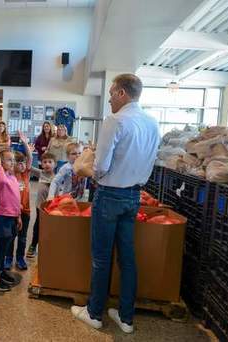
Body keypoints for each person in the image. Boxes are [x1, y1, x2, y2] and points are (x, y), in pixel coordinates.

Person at [70, 74, 160, 334]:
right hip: (134, 196)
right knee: (127, 258)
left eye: (111, 93)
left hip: (109, 195)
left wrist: (85, 167)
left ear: (122, 93)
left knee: (101, 257)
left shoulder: (116, 120)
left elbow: (100, 167)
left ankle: (95, 313)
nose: (109, 98)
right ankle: (126, 317)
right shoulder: (152, 124)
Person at [0, 149, 21, 292]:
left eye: (13, 160)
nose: (12, 162)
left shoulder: (12, 177)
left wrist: (18, 216)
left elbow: (16, 199)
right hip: (2, 218)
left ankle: (0, 271)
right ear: (1, 162)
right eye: (9, 159)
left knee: (6, 246)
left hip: (12, 217)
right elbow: (0, 181)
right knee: (1, 248)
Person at [5, 131, 32, 271]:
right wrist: (9, 145)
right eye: (18, 163)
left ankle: (20, 258)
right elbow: (7, 157)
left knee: (22, 237)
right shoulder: (10, 174)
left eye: (22, 163)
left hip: (25, 211)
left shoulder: (25, 174)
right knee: (11, 236)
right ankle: (8, 258)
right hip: (12, 212)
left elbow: (29, 157)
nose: (21, 165)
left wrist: (24, 142)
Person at [26, 152, 56, 258]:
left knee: (50, 227)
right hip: (39, 207)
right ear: (41, 164)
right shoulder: (41, 173)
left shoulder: (57, 177)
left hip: (51, 208)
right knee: (37, 226)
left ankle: (48, 246)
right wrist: (29, 152)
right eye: (45, 162)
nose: (47, 164)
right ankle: (33, 245)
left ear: (55, 164)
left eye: (50, 162)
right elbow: (29, 167)